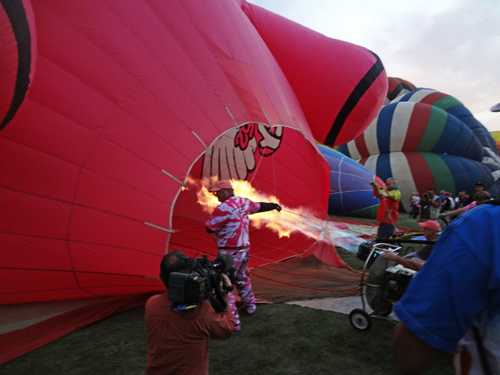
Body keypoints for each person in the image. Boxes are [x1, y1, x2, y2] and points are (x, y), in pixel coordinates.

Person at [391, 199, 500, 374]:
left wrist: (397, 259)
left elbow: (411, 357)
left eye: (425, 228)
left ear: (430, 231)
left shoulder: (485, 225)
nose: (422, 230)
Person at [205, 180, 281, 332]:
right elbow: (259, 206)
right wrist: (273, 206)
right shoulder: (244, 202)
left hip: (229, 252)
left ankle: (233, 322)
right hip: (244, 249)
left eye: (218, 191)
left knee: (225, 284)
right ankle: (250, 307)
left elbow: (209, 228)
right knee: (242, 277)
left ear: (227, 191)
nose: (216, 194)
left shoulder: (222, 208)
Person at [145, 250, 234, 375]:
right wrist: (224, 296)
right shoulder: (203, 312)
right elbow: (228, 328)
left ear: (161, 276)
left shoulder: (151, 304)